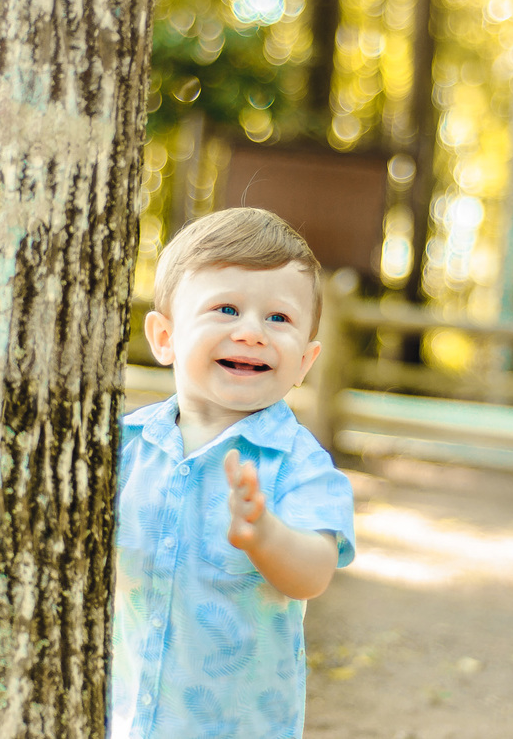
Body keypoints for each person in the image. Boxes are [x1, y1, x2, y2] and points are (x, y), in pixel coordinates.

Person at [111, 207, 357, 738]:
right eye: (226, 309)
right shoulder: (124, 446)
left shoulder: (298, 462)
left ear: (306, 361)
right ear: (164, 337)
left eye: (279, 318)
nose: (251, 332)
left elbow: (314, 573)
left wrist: (266, 535)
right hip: (123, 717)